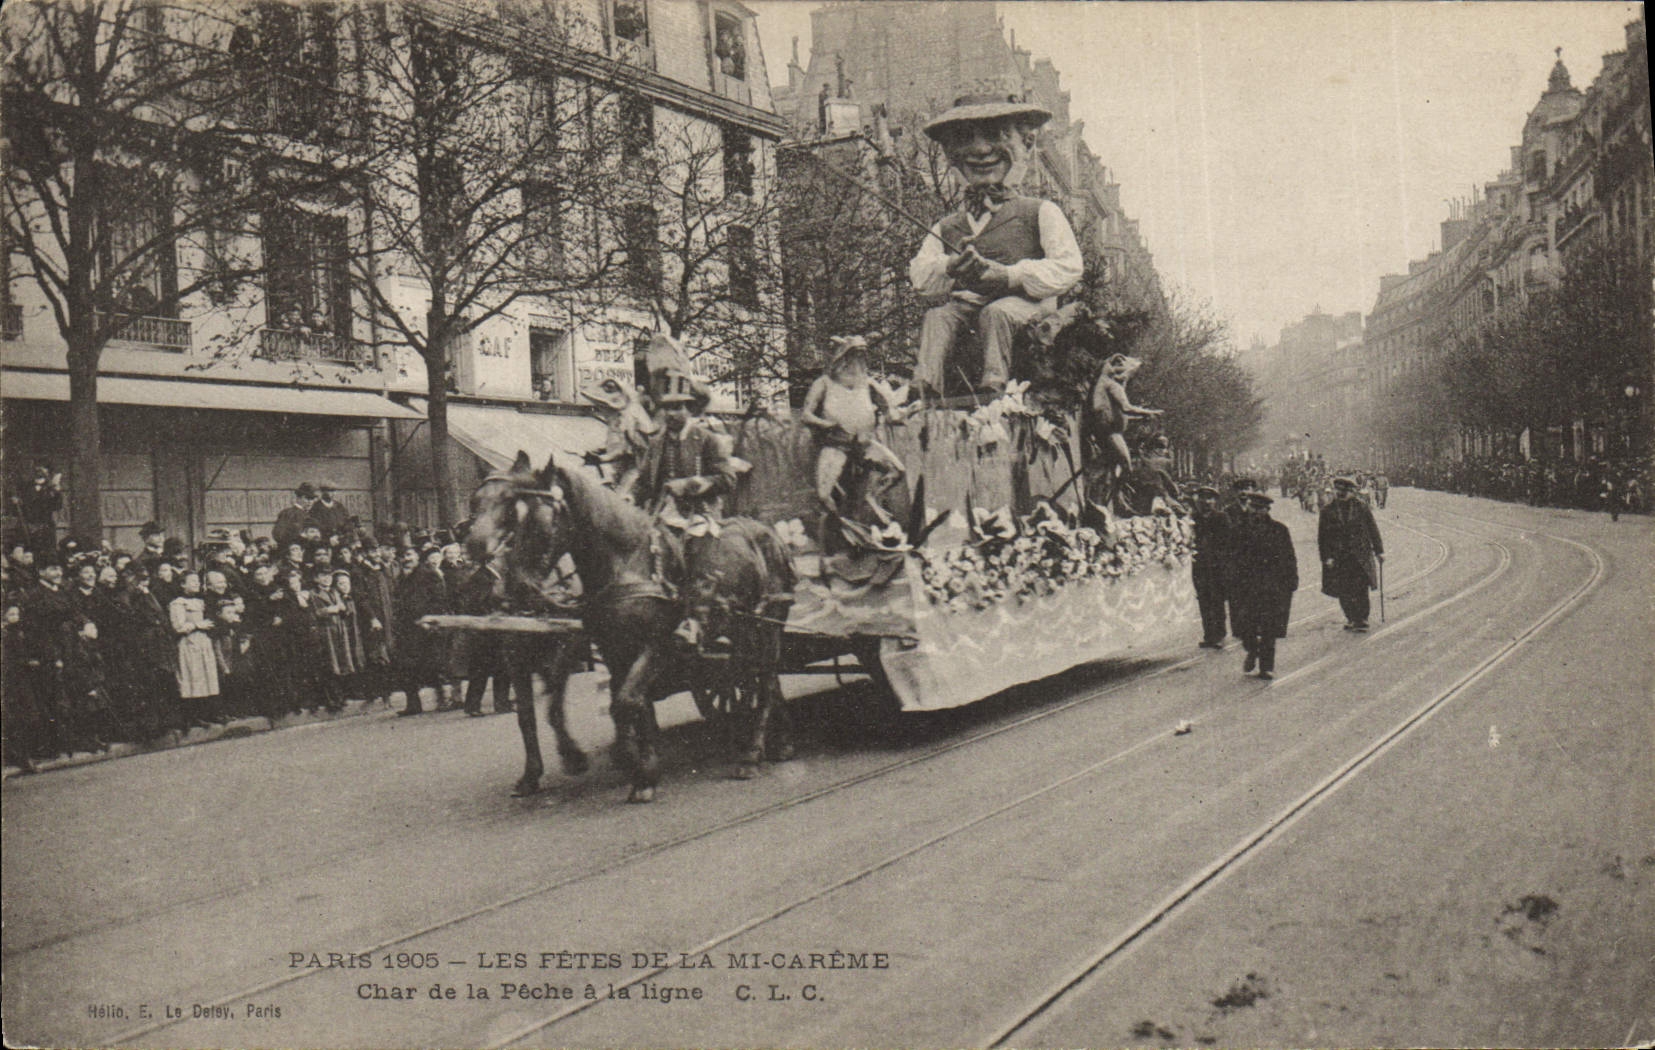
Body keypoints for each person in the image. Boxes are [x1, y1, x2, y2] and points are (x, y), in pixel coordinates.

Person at [908, 89, 1082, 398]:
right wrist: (950, 266)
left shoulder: (1039, 212)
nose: (980, 149)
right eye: (965, 138)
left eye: (994, 135)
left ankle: (993, 385)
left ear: (1026, 143)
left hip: (1026, 306)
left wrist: (1009, 275)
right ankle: (924, 385)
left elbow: (1069, 267)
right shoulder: (947, 226)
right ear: (950, 153)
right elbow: (921, 277)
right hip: (967, 305)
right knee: (937, 317)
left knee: (997, 313)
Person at [801, 336, 911, 520]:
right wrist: (828, 424)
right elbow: (806, 415)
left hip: (864, 444)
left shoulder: (868, 383)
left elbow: (890, 413)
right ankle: (841, 525)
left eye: (859, 358)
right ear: (841, 358)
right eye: (850, 357)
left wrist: (905, 413)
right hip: (837, 444)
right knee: (823, 495)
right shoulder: (824, 382)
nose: (854, 364)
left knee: (897, 471)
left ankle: (873, 497)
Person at [629, 370, 738, 516]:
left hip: (699, 513)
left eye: (676, 408)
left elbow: (728, 479)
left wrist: (692, 484)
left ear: (689, 410)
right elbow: (644, 482)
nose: (670, 413)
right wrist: (630, 497)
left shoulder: (706, 439)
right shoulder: (656, 443)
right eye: (666, 408)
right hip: (662, 513)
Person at [1229, 492, 1298, 680]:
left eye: (1261, 508)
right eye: (1253, 507)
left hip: (1271, 586)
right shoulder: (1238, 530)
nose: (1256, 512)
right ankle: (1252, 650)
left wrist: (1292, 580)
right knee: (1245, 627)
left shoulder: (1279, 530)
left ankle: (1267, 667)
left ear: (1267, 510)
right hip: (1246, 586)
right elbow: (1231, 558)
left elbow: (1289, 557)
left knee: (1269, 628)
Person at [1318, 475, 1383, 632]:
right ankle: (1351, 618)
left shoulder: (1361, 507)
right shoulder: (1327, 511)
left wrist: (1379, 551)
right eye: (1338, 491)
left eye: (1344, 492)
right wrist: (1326, 557)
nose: (1341, 494)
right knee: (1344, 590)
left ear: (1351, 492)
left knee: (1361, 588)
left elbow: (1372, 529)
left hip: (1360, 555)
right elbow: (1323, 537)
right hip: (1340, 557)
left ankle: (1362, 619)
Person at [169, 570, 222, 727]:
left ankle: (208, 713)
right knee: (193, 677)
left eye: (197, 581)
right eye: (192, 581)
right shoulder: (178, 603)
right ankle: (193, 716)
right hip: (189, 643)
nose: (196, 584)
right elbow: (178, 627)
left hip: (203, 642)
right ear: (182, 584)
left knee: (207, 676)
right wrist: (198, 625)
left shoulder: (200, 602)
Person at [1190, 485, 1231, 649]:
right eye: (1203, 498)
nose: (1206, 502)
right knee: (1203, 599)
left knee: (1217, 600)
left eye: (1210, 499)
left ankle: (1220, 634)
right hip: (1199, 566)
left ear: (1215, 501)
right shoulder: (1193, 518)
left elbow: (1228, 542)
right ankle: (1208, 635)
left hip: (1217, 565)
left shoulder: (1221, 517)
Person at [273, 484, 317, 551]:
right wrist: (299, 537)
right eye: (307, 498)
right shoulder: (288, 513)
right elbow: (278, 535)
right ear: (298, 498)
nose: (310, 502)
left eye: (312, 499)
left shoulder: (311, 515)